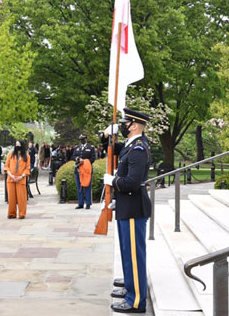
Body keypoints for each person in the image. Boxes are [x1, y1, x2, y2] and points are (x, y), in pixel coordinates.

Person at [103, 108, 152, 314]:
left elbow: (131, 183)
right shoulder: (131, 146)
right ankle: (130, 286)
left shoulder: (139, 149)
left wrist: (112, 181)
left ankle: (136, 301)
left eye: (125, 123)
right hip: (126, 205)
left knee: (134, 255)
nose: (123, 126)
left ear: (134, 125)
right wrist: (107, 135)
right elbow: (113, 149)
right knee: (126, 252)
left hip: (133, 207)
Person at [4, 140, 31, 219]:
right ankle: (12, 213)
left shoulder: (27, 156)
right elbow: (6, 166)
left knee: (21, 198)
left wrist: (21, 176)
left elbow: (28, 168)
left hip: (21, 179)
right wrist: (11, 175)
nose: (17, 146)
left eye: (18, 145)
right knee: (11, 198)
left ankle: (22, 213)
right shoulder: (10, 154)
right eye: (16, 145)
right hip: (11, 179)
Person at [72, 133, 96, 210]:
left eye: (83, 139)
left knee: (87, 186)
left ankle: (88, 203)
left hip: (87, 170)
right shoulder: (77, 147)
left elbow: (93, 158)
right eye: (81, 139)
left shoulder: (91, 147)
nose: (82, 141)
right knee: (79, 187)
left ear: (86, 139)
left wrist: (85, 162)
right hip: (79, 169)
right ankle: (80, 203)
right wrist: (77, 159)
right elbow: (73, 156)